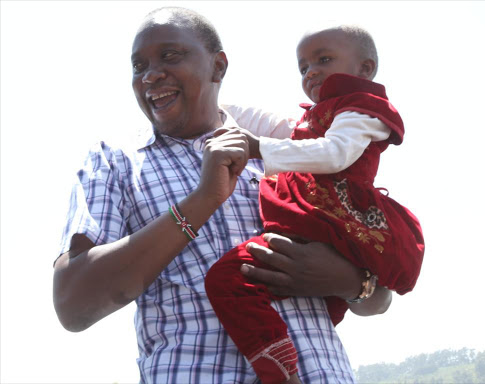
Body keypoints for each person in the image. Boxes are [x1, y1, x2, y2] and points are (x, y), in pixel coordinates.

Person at [52, 7, 393, 384]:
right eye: (138, 65)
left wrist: (346, 280)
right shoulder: (114, 162)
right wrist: (201, 201)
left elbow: (380, 298)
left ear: (218, 67)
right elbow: (73, 304)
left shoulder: (291, 150)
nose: (150, 75)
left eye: (170, 56)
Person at [205, 26, 425, 383]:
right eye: (303, 67)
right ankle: (284, 355)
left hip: (329, 221)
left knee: (228, 278)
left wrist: (257, 147)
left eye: (323, 60)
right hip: (315, 224)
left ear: (365, 69)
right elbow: (259, 119)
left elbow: (336, 153)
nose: (311, 72)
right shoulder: (315, 118)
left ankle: (277, 364)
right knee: (314, 306)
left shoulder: (363, 111)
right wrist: (206, 103)